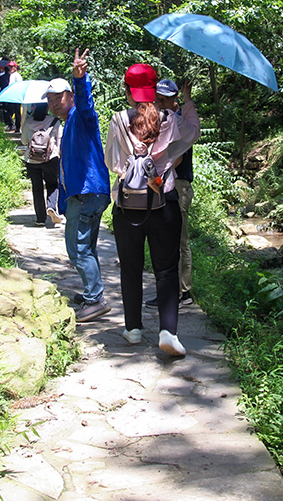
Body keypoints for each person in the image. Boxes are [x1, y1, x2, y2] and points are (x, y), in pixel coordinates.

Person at [104, 64, 199, 356]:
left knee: (130, 268)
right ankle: (168, 331)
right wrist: (187, 103)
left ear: (127, 91)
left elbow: (112, 162)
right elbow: (192, 134)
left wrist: (130, 167)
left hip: (127, 206)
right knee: (166, 270)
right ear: (154, 89)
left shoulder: (119, 120)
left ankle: (133, 329)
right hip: (164, 203)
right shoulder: (170, 119)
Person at [45, 48, 112, 323]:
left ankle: (95, 300)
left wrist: (80, 79)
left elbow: (86, 104)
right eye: (50, 100)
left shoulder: (81, 117)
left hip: (87, 192)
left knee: (77, 248)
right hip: (90, 193)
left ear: (70, 96)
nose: (54, 104)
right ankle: (91, 292)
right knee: (88, 247)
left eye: (58, 98)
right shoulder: (69, 123)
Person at [146, 78, 194, 308]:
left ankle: (183, 293)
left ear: (175, 100)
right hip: (168, 186)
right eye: (157, 99)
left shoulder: (179, 122)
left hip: (179, 186)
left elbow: (177, 160)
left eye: (164, 100)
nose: (159, 103)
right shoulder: (165, 120)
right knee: (165, 241)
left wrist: (154, 175)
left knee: (179, 241)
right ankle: (170, 291)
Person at [20, 102, 63, 227]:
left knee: (37, 187)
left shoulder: (28, 121)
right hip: (50, 158)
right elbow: (60, 141)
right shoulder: (55, 121)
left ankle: (40, 218)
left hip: (32, 159)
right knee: (52, 184)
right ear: (47, 107)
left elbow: (24, 141)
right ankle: (51, 207)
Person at [4, 62, 23, 132]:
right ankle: (12, 125)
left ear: (15, 67)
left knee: (16, 112)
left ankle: (16, 127)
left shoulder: (17, 75)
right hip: (12, 95)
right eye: (10, 67)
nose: (10, 68)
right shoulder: (11, 75)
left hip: (15, 95)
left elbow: (18, 85)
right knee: (9, 111)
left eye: (12, 67)